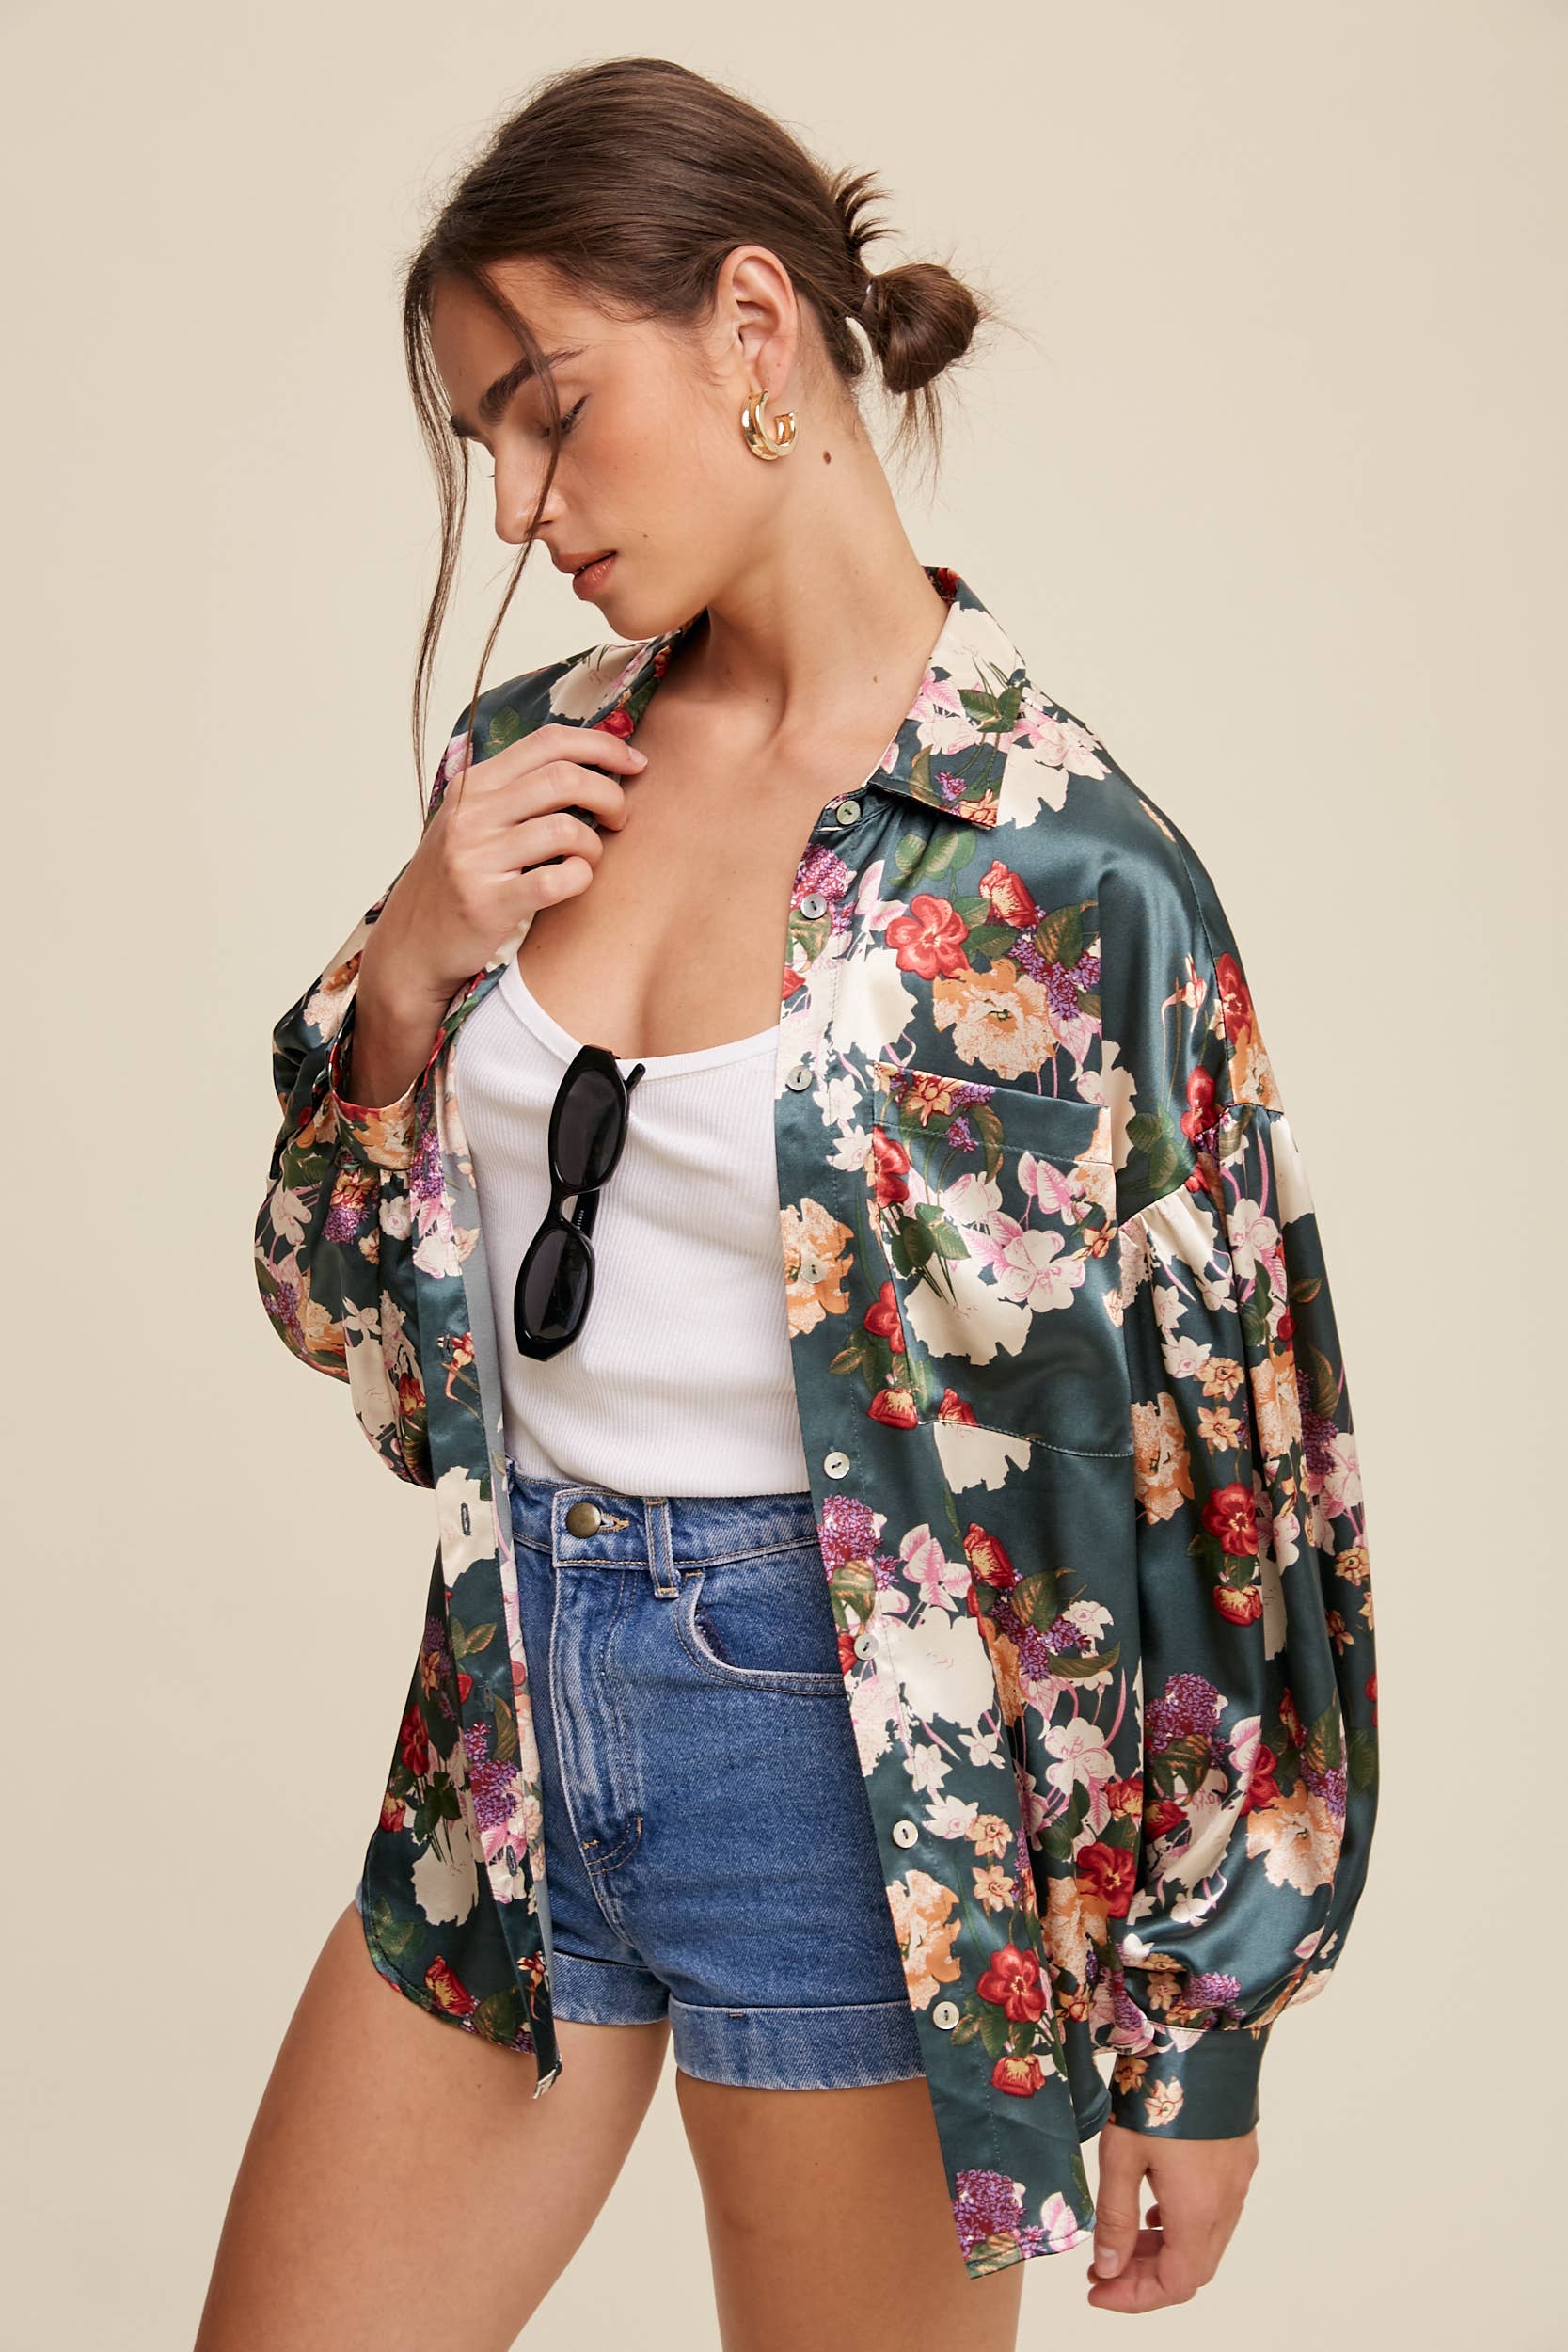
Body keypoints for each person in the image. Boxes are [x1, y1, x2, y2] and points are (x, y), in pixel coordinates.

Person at [206, 53, 1379, 2352]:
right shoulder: (528, 766)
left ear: (754, 325)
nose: (522, 505)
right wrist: (403, 977)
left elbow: (1246, 1485)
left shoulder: (1067, 872)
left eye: (550, 411)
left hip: (856, 1775)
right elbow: (343, 1325)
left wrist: (1203, 2019)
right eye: (484, 446)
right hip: (510, 1715)